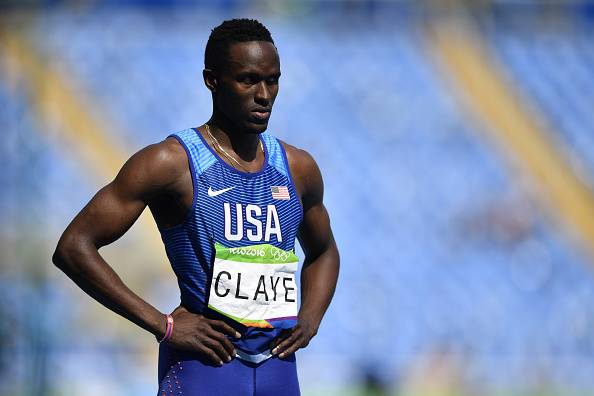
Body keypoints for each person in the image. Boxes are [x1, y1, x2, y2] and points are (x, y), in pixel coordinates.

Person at [52, 18, 339, 395]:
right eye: (248, 80)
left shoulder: (297, 167)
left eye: (273, 79)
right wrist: (163, 325)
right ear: (212, 80)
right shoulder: (171, 163)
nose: (264, 94)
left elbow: (324, 251)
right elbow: (74, 247)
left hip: (277, 367)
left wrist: (311, 319)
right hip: (205, 365)